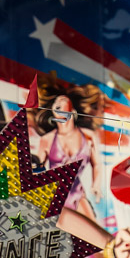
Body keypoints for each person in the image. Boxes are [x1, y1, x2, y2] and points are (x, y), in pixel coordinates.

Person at [36, 77, 103, 215]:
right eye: (56, 102)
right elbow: (37, 169)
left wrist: (96, 185)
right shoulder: (47, 139)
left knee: (90, 225)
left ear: (72, 110)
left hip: (77, 195)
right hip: (54, 196)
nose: (58, 103)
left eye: (63, 100)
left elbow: (96, 164)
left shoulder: (88, 136)